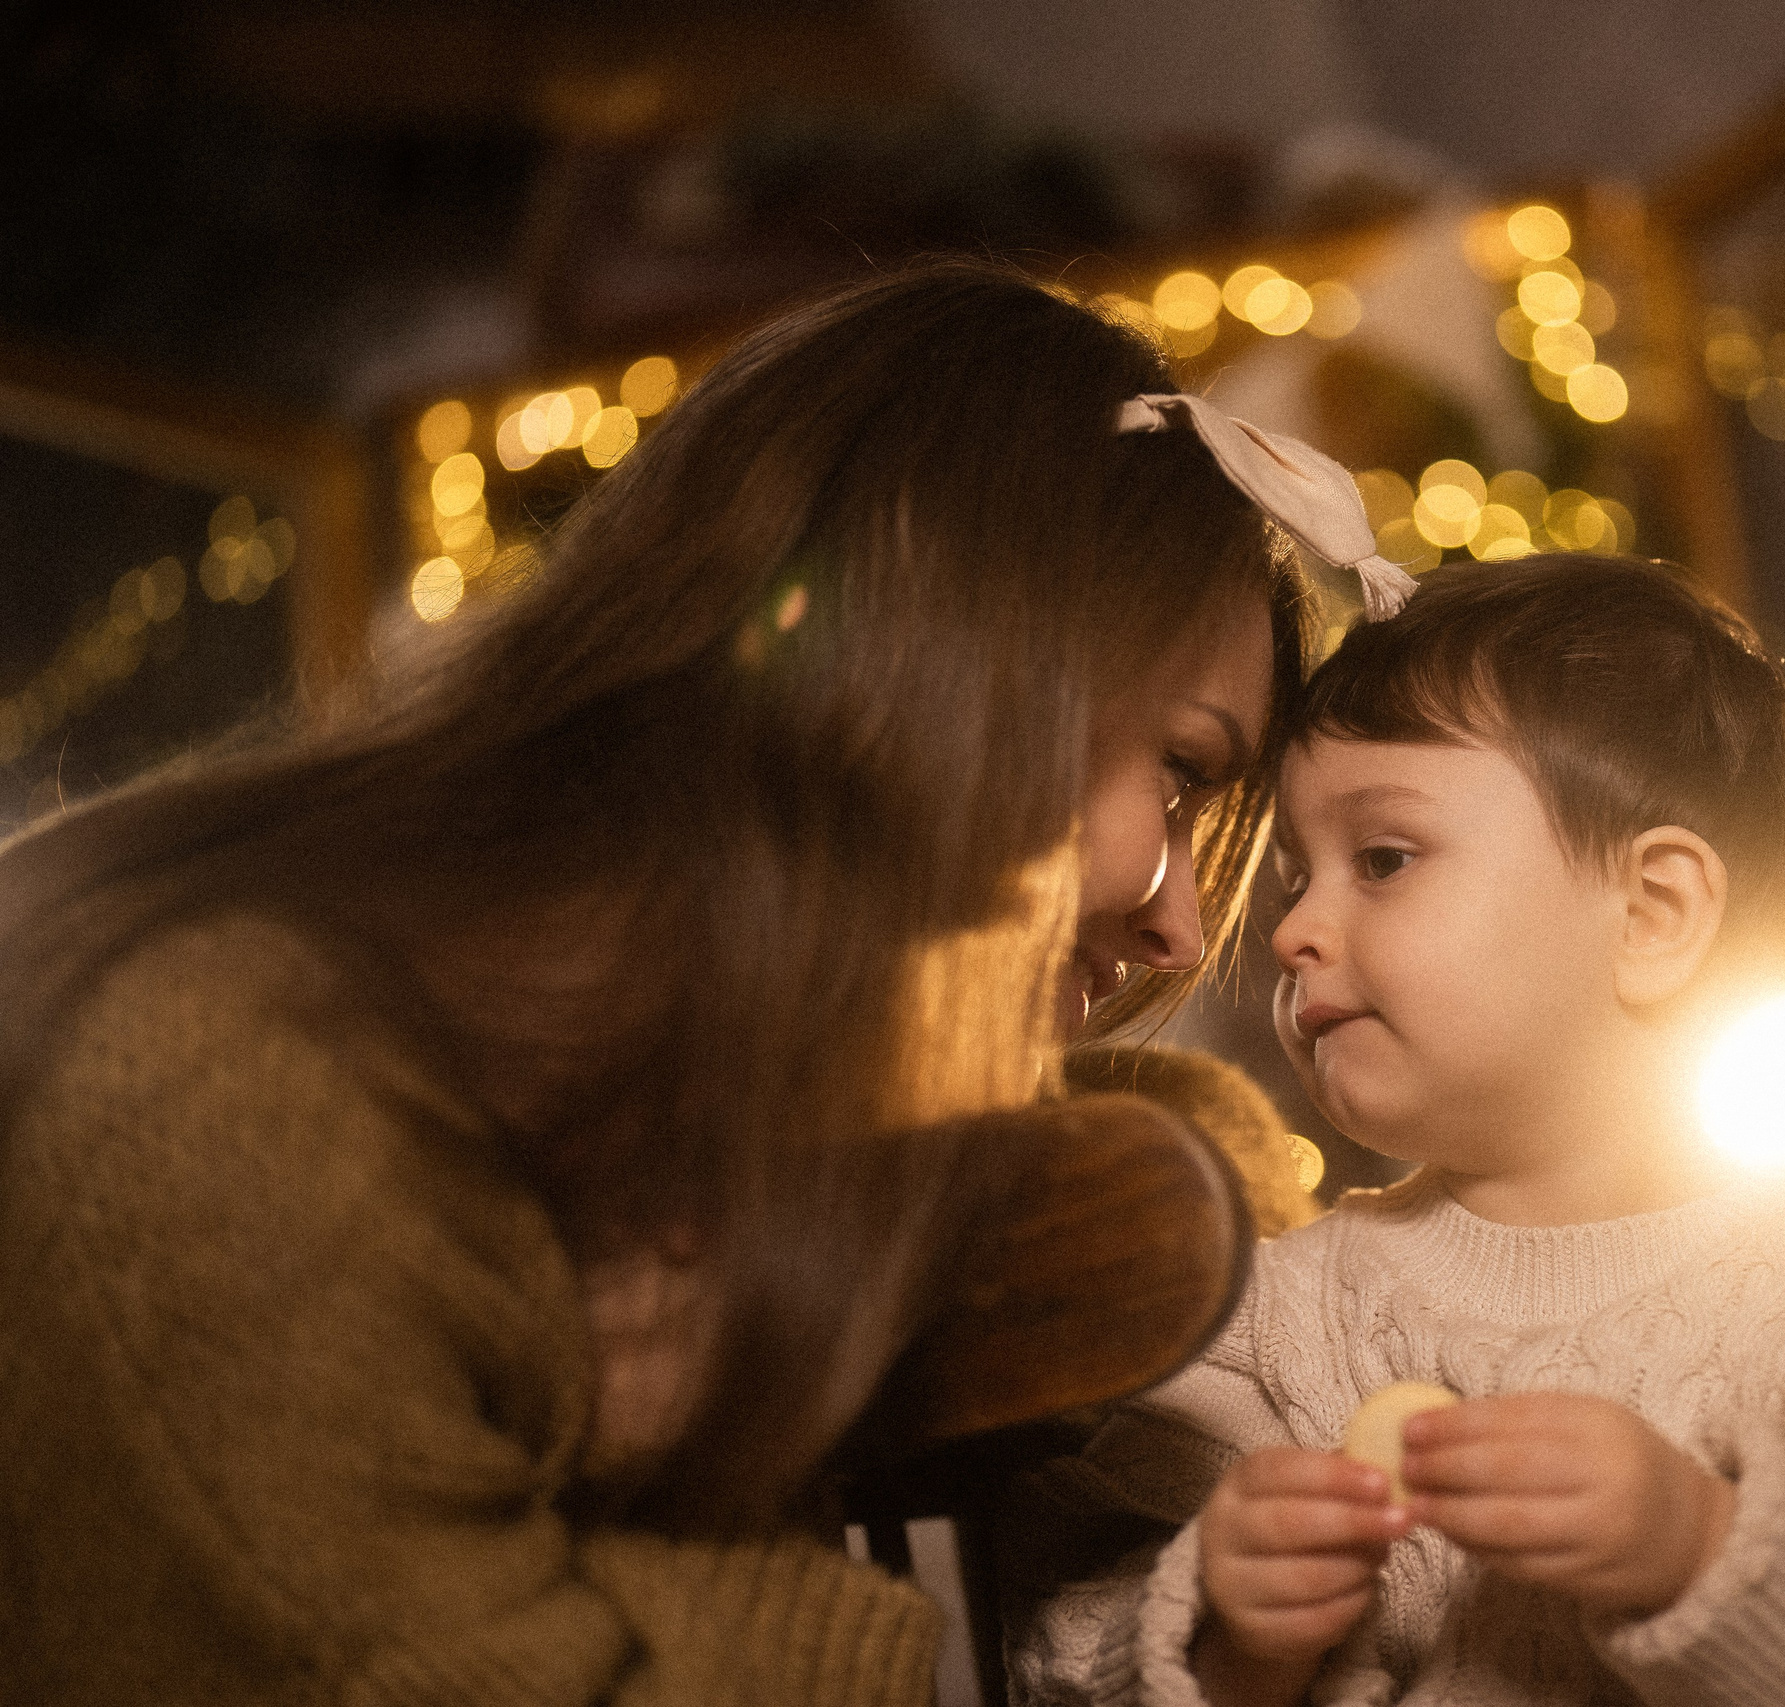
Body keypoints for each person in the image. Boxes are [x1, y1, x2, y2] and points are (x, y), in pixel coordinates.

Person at [0, 263, 1360, 1703]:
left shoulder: (761, 1143)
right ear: (938, 673)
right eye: (1181, 773)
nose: (1184, 932)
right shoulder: (227, 1095)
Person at [1016, 555, 1785, 1706]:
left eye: (1381, 860)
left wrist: (1705, 1552)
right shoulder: (1274, 1334)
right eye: (1292, 879)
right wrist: (1234, 1651)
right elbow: (1056, 1663)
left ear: (1653, 913)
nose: (1291, 932)